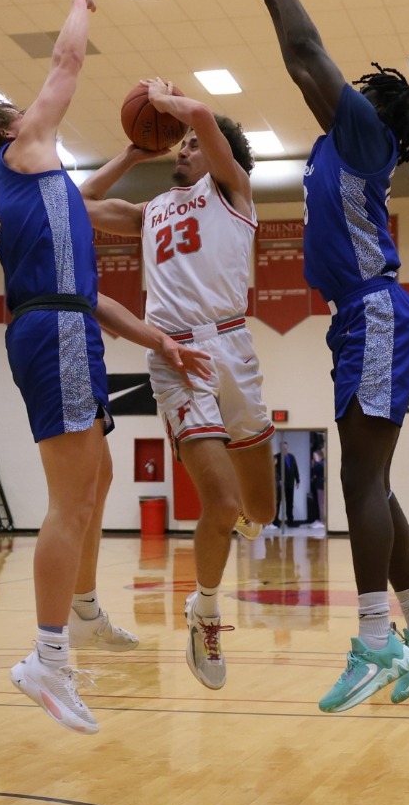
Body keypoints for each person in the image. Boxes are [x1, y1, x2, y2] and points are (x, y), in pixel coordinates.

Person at [0, 0, 215, 735]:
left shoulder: (38, 187)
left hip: (66, 323)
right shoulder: (24, 146)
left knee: (97, 477)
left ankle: (86, 608)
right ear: (9, 128)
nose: (36, 111)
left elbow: (90, 264)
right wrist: (80, 4)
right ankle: (47, 657)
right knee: (70, 500)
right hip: (54, 333)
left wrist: (159, 339)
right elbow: (67, 62)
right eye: (21, 109)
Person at [248, 0, 409, 711]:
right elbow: (301, 72)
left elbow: (309, 55)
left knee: (359, 479)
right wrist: (273, 13)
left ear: (372, 107)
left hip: (374, 311)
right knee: (374, 481)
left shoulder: (365, 134)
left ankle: (375, 637)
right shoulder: (337, 144)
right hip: (361, 317)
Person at [79, 79, 277, 690]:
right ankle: (206, 611)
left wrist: (172, 106)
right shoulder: (150, 212)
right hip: (175, 351)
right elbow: (79, 201)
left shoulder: (234, 192)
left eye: (194, 144)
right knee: (219, 503)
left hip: (233, 346)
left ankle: (224, 554)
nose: (185, 148)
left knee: (260, 512)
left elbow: (202, 119)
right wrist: (135, 152)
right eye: (181, 143)